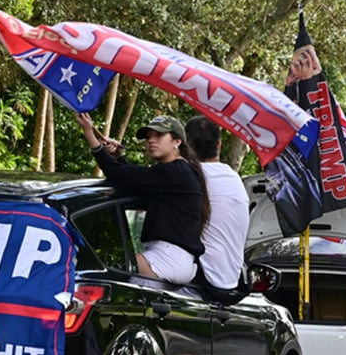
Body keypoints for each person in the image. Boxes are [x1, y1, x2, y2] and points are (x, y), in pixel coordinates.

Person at [75, 112, 209, 284]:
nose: (151, 140)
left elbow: (119, 174)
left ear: (177, 141)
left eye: (159, 135)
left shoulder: (176, 172)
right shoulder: (176, 172)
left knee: (104, 270)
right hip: (170, 256)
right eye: (148, 137)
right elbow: (133, 181)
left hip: (169, 257)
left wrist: (89, 134)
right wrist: (118, 156)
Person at [186, 116, 250, 299]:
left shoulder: (191, 178)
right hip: (231, 284)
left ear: (186, 147)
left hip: (201, 284)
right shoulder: (234, 179)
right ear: (219, 145)